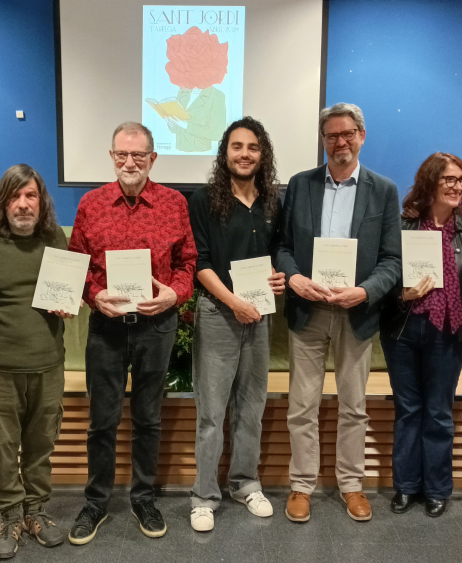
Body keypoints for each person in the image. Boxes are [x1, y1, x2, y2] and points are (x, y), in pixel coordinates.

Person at [66, 122, 197, 544]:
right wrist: (92, 296)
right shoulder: (91, 204)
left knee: (148, 419)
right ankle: (96, 502)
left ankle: (143, 496)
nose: (129, 162)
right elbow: (75, 265)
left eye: (138, 155)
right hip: (106, 326)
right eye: (122, 154)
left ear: (153, 158)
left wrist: (174, 295)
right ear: (111, 156)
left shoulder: (175, 203)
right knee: (101, 421)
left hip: (156, 326)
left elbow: (188, 263)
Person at [274, 103, 402, 523]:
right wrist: (294, 280)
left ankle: (351, 485)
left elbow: (392, 260)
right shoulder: (300, 184)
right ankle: (301, 485)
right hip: (308, 310)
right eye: (332, 136)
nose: (340, 142)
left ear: (362, 136)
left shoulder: (383, 190)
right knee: (302, 404)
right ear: (323, 140)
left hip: (356, 313)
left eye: (347, 134)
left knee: (354, 405)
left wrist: (365, 291)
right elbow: (284, 248)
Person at [0, 165, 70, 559]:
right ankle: (8, 516)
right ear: (3, 201)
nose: (23, 205)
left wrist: (65, 305)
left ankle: (36, 511)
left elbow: (64, 291)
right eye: (15, 196)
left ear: (42, 202)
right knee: (3, 447)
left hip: (47, 364)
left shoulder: (55, 238)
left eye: (31, 196)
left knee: (42, 444)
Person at [187, 117, 286, 532]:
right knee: (211, 413)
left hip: (259, 317)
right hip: (217, 314)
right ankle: (204, 496)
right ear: (224, 152)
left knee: (251, 408)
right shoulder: (204, 200)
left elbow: (279, 251)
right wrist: (233, 302)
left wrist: (280, 277)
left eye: (253, 147)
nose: (244, 154)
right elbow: (200, 263)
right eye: (237, 146)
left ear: (262, 154)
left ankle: (245, 483)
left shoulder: (272, 201)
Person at [379, 153, 462, 518]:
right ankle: (406, 487)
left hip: (449, 331)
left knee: (439, 412)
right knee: (408, 409)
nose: (458, 187)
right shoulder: (402, 226)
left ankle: (437, 489)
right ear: (430, 182)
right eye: (449, 179)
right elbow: (382, 275)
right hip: (404, 329)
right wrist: (400, 294)